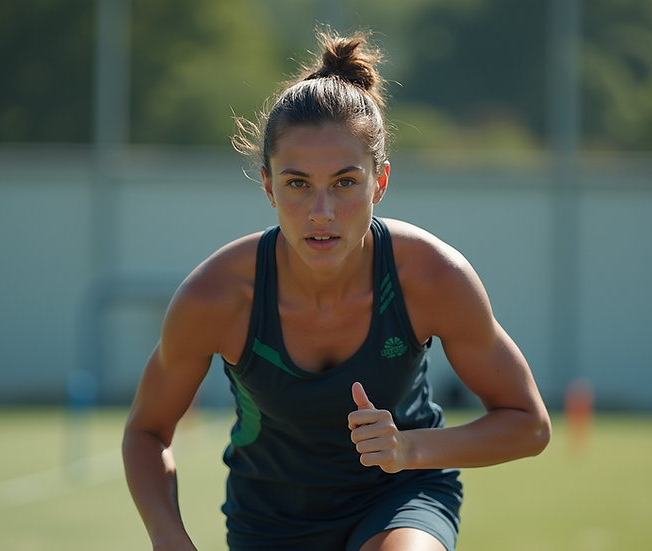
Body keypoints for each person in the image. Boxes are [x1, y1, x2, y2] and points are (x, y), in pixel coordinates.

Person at [122, 30, 550, 551]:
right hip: (272, 524)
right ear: (268, 186)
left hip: (399, 497)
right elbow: (146, 431)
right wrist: (168, 537)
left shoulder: (431, 277)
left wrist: (410, 449)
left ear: (379, 183)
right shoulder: (216, 296)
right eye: (297, 184)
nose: (321, 213)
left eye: (345, 182)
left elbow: (529, 425)